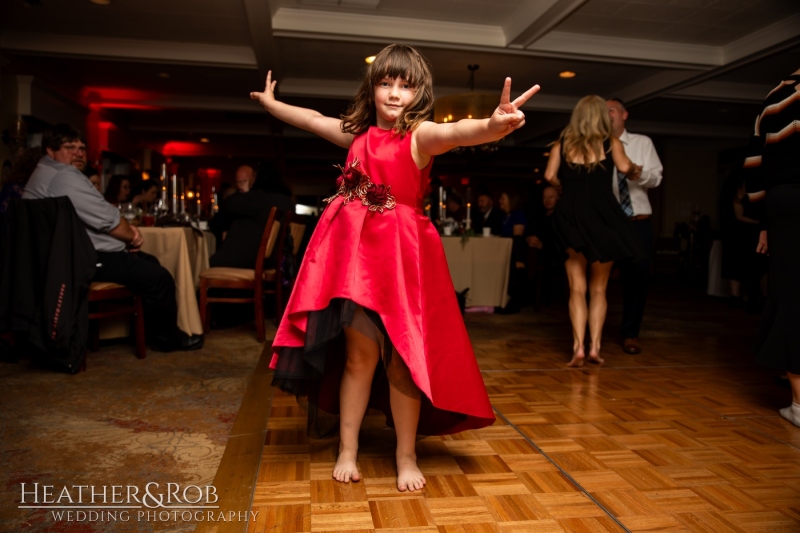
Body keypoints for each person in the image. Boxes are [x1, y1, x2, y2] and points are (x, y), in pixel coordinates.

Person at [251, 44, 539, 492]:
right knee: (359, 359)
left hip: (403, 263)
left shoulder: (419, 136)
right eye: (386, 82)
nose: (393, 93)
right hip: (356, 264)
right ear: (373, 87)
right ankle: (347, 448)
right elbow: (311, 120)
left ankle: (406, 454)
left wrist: (492, 125)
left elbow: (459, 133)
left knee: (403, 362)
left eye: (405, 85)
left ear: (419, 93)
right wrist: (272, 105)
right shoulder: (357, 135)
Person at [22, 124, 202, 353]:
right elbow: (110, 220)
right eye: (70, 147)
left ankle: (145, 332)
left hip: (58, 259)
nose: (78, 153)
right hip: (77, 262)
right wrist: (131, 237)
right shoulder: (63, 176)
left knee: (149, 263)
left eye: (82, 148)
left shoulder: (42, 173)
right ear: (50, 151)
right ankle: (167, 340)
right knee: (160, 277)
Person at [545, 95, 644, 367]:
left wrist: (566, 183)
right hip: (603, 217)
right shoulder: (611, 144)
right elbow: (626, 169)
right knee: (598, 289)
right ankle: (595, 348)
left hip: (570, 216)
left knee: (576, 287)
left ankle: (577, 346)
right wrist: (637, 170)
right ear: (602, 116)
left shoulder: (561, 146)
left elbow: (549, 177)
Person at [745, 68, 800, 427]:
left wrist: (765, 222)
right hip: (788, 201)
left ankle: (799, 404)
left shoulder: (776, 96)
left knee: (793, 294)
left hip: (786, 201)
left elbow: (755, 165)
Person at [606, 98, 663, 355]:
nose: (608, 115)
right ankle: (590, 333)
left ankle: (630, 333)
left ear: (624, 114)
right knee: (598, 280)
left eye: (612, 111)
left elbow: (656, 178)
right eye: (603, 112)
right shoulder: (596, 146)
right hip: (608, 224)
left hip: (637, 223)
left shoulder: (642, 143)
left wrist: (636, 173)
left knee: (637, 281)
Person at [209, 165, 295, 269]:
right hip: (276, 260)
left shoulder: (259, 198)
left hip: (253, 261)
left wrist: (243, 192)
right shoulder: (287, 202)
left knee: (209, 261)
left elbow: (228, 205)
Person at [497, 192, 527, 313]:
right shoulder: (506, 216)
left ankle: (514, 303)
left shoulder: (518, 215)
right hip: (507, 251)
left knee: (515, 275)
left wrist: (518, 259)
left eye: (503, 198)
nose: (500, 201)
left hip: (516, 251)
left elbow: (518, 238)